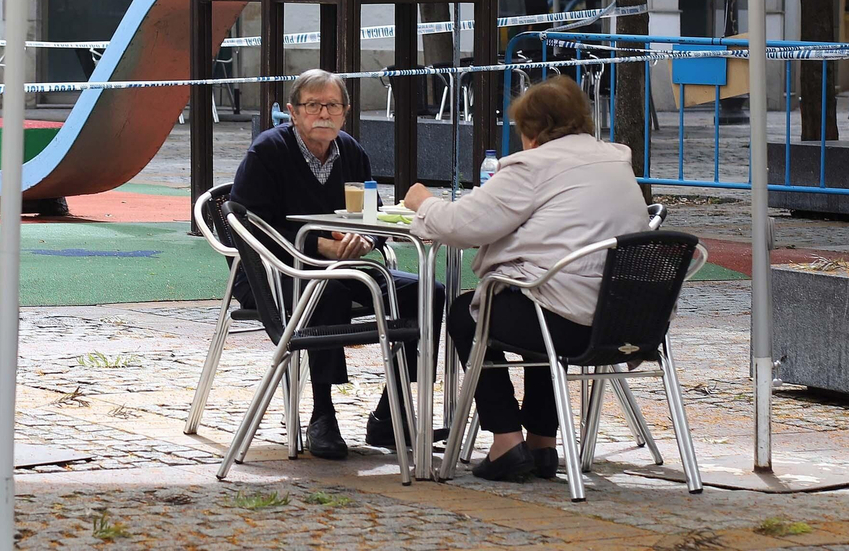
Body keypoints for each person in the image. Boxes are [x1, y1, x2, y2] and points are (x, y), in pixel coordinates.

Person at [403, 74, 649, 482]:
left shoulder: (534, 165)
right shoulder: (616, 160)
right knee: (538, 297)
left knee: (467, 314)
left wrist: (423, 202)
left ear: (533, 129)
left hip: (570, 322)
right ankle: (541, 443)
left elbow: (463, 225)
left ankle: (506, 441)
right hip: (627, 321)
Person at [230, 68, 444, 460]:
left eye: (332, 105)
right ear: (293, 111)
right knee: (325, 291)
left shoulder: (351, 151)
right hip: (272, 272)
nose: (323, 114)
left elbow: (373, 216)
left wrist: (367, 240)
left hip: (341, 270)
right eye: (313, 105)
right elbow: (247, 226)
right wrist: (318, 245)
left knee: (428, 291)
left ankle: (390, 412)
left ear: (345, 112)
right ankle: (322, 414)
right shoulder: (268, 151)